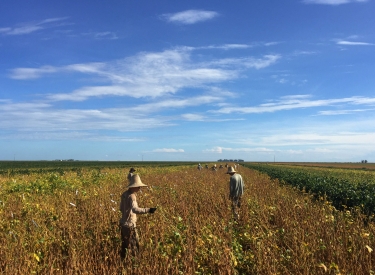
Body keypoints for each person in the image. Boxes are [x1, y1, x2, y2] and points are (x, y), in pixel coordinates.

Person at [119, 174, 157, 259]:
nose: (140, 188)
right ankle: (134, 263)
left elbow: (121, 208)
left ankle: (122, 261)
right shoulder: (132, 196)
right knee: (134, 246)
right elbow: (135, 209)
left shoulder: (124, 194)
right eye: (138, 186)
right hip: (130, 225)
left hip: (123, 224)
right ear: (133, 186)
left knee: (124, 245)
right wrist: (149, 210)